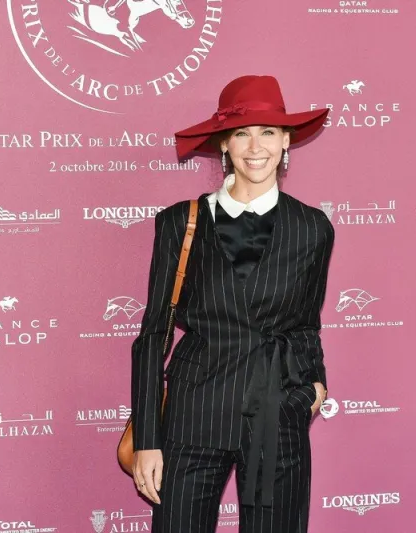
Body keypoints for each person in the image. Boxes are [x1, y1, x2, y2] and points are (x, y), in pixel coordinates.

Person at [130, 74, 335, 533]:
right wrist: (147, 438)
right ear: (224, 143)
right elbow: (154, 333)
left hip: (277, 410)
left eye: (268, 132)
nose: (255, 146)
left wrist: (314, 386)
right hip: (194, 411)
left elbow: (307, 322)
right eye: (242, 133)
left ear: (286, 141)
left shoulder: (313, 227)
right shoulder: (180, 222)